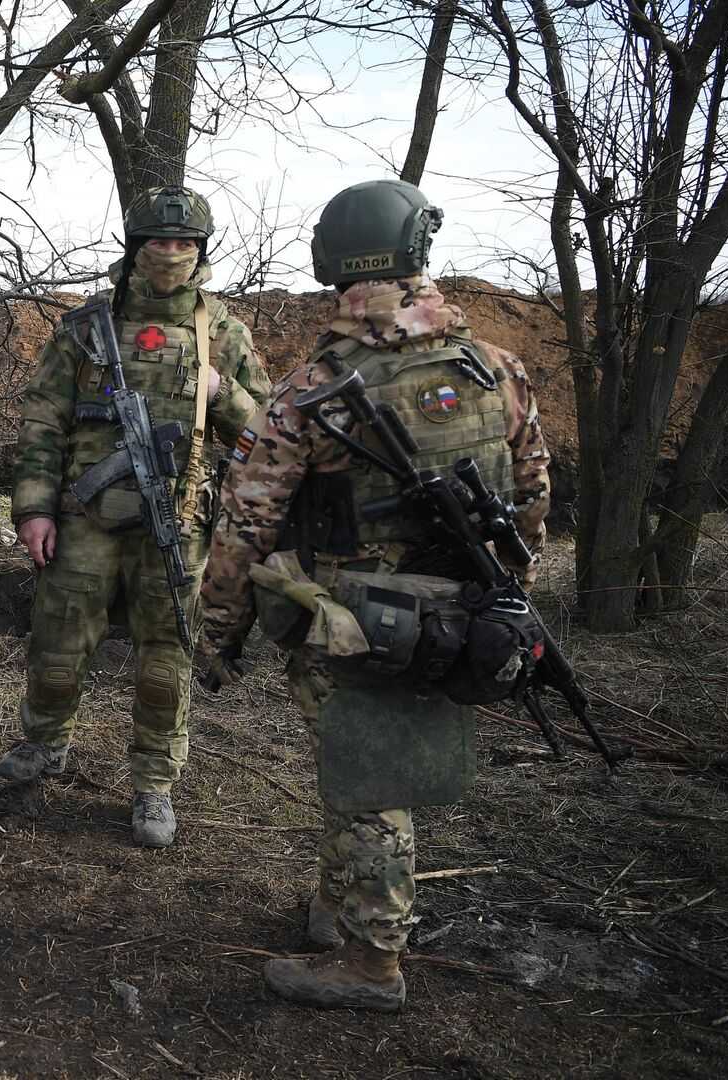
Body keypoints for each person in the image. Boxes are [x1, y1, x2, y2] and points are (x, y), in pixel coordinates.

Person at [195, 179, 551, 1011]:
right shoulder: (495, 368)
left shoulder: (312, 387)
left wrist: (217, 627)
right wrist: (507, 593)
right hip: (459, 614)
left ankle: (370, 962)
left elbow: (247, 520)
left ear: (337, 259)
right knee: (363, 771)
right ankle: (337, 907)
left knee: (368, 781)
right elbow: (531, 494)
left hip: (354, 619)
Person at [0, 186, 270, 848]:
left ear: (201, 250)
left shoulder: (225, 336)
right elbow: (41, 425)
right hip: (85, 518)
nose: (170, 253)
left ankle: (153, 784)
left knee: (165, 661)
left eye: (184, 244)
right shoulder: (86, 330)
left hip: (177, 524)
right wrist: (32, 510)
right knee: (58, 646)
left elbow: (268, 434)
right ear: (134, 247)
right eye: (157, 242)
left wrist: (221, 392)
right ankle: (45, 744)